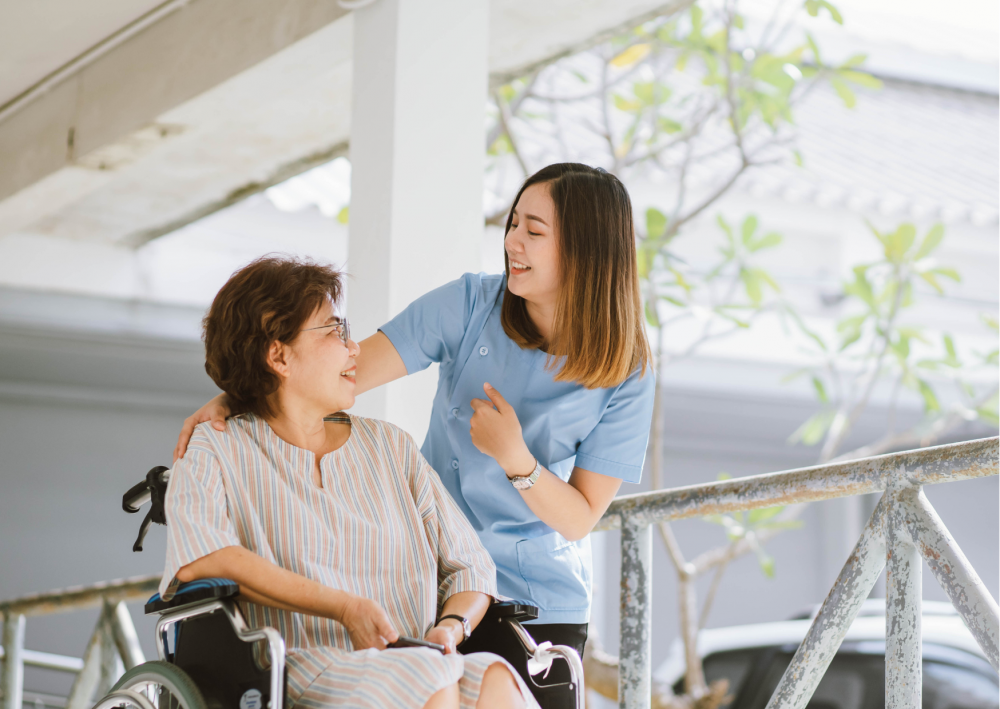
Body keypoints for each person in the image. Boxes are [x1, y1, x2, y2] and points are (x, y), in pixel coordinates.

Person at [174, 163, 655, 706]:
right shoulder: (471, 304)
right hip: (434, 583)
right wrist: (242, 390)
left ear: (585, 251)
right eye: (513, 223)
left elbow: (580, 517)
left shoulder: (628, 372)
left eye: (534, 231)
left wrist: (514, 457)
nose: (511, 241)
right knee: (429, 680)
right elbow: (339, 373)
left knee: (496, 686)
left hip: (535, 594)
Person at [160, 257, 535, 709]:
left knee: (493, 676)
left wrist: (451, 627)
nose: (354, 347)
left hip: (415, 657)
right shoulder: (216, 447)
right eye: (334, 331)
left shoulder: (390, 447)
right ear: (278, 356)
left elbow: (471, 567)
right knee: (427, 675)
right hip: (294, 669)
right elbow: (202, 556)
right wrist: (342, 606)